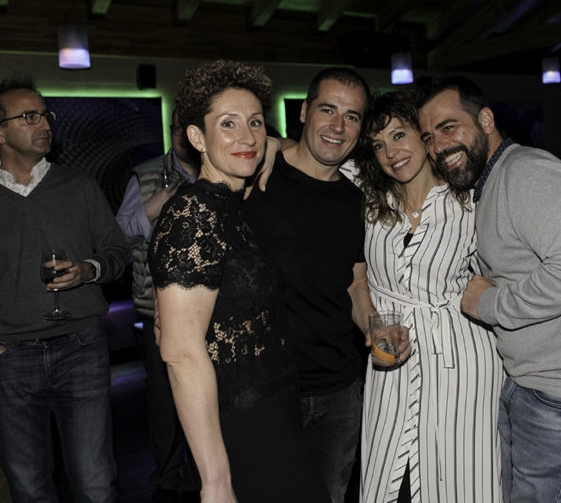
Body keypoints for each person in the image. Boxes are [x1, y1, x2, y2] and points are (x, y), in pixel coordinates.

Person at [417, 76, 561, 503]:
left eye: (449, 127)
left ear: (485, 120)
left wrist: (490, 302)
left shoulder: (526, 174)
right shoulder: (492, 182)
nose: (438, 146)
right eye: (429, 137)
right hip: (548, 386)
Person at [148, 60, 329, 503]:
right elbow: (180, 353)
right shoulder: (193, 214)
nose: (247, 137)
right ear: (197, 138)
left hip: (275, 409)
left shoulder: (232, 204)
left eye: (255, 122)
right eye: (227, 124)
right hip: (239, 423)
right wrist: (215, 480)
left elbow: (283, 146)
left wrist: (270, 146)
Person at [356, 90, 504, 502]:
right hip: (390, 357)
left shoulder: (470, 200)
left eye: (399, 135)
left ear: (423, 137)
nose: (390, 153)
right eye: (378, 145)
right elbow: (310, 157)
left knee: (464, 477)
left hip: (464, 362)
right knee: (388, 478)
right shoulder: (368, 201)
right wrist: (273, 146)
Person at [243, 68, 374, 503]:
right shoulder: (255, 176)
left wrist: (374, 327)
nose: (338, 126)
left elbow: (355, 283)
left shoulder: (355, 201)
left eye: (352, 117)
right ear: (304, 111)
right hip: (262, 391)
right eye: (327, 110)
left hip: (339, 392)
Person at [0, 76, 130, 502]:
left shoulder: (80, 187)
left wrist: (89, 270)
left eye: (45, 115)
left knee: (95, 483)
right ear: (1, 132)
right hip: (10, 357)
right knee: (28, 486)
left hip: (81, 348)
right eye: (29, 117)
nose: (45, 125)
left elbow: (117, 252)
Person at [115, 109, 202, 502]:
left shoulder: (222, 167)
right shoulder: (146, 174)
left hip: (213, 309)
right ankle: (168, 479)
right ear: (171, 129)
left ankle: (205, 476)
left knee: (211, 396)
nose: (184, 134)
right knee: (165, 401)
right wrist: (153, 207)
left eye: (191, 126)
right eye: (177, 126)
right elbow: (117, 236)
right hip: (159, 310)